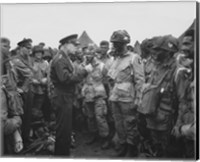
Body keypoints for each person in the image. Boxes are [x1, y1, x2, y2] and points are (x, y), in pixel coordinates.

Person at [138, 35, 188, 158]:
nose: (154, 53)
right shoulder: (156, 68)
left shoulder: (178, 72)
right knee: (156, 149)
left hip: (167, 122)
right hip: (153, 118)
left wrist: (178, 125)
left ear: (168, 52)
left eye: (158, 50)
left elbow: (183, 102)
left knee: (168, 152)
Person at [107, 30, 145, 157]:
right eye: (114, 43)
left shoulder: (134, 58)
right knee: (118, 123)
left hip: (128, 97)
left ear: (124, 44)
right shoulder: (116, 59)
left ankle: (131, 148)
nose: (115, 46)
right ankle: (122, 145)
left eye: (118, 43)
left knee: (130, 124)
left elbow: (140, 81)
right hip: (116, 96)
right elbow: (112, 78)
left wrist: (138, 100)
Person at [50, 34, 87, 156]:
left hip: (65, 96)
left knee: (65, 129)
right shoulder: (60, 59)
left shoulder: (65, 57)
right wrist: (85, 71)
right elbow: (65, 78)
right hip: (62, 96)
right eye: (74, 45)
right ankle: (61, 155)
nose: (76, 48)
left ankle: (62, 153)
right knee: (63, 130)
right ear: (66, 44)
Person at [171, 29, 196, 158]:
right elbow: (184, 102)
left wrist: (183, 130)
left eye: (188, 44)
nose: (183, 48)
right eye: (183, 44)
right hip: (187, 129)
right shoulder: (189, 72)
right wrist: (179, 124)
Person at [81, 51, 110, 149]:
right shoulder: (85, 66)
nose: (87, 56)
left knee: (100, 117)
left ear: (94, 55)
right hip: (88, 94)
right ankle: (93, 135)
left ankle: (105, 137)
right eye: (86, 54)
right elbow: (80, 77)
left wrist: (109, 94)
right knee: (90, 117)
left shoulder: (102, 66)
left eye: (89, 54)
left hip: (99, 94)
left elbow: (108, 80)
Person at [1, 37, 24, 154]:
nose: (7, 49)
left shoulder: (8, 63)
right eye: (4, 46)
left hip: (11, 101)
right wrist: (16, 121)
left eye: (8, 47)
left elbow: (10, 83)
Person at [11, 38, 34, 147]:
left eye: (30, 48)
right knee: (21, 116)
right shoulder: (17, 60)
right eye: (27, 48)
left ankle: (26, 138)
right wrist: (23, 89)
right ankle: (21, 141)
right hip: (21, 92)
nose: (30, 50)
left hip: (28, 90)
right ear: (21, 48)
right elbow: (29, 74)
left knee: (28, 115)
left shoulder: (28, 58)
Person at [30, 45, 49, 128]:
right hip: (32, 89)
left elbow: (50, 75)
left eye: (40, 53)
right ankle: (33, 128)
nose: (38, 55)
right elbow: (26, 75)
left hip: (42, 90)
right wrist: (32, 80)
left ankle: (40, 127)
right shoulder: (30, 63)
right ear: (34, 54)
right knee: (32, 109)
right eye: (37, 53)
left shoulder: (46, 63)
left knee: (41, 108)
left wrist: (45, 79)